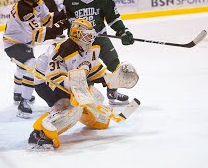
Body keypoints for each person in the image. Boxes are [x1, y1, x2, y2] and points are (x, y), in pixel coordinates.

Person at [27, 18, 138, 150]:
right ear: (75, 35)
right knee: (72, 106)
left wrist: (111, 79)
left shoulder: (91, 48)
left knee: (96, 100)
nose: (90, 39)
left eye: (91, 35)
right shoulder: (63, 49)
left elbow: (94, 70)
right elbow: (53, 76)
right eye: (86, 35)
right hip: (46, 83)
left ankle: (90, 118)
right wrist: (73, 86)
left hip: (71, 78)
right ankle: (40, 134)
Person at [3, 0, 69, 118]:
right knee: (31, 65)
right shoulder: (23, 10)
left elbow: (47, 19)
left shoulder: (37, 1)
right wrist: (61, 26)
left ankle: (18, 94)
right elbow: (38, 35)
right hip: (13, 44)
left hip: (26, 43)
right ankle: (24, 102)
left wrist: (64, 14)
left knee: (23, 68)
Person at [63, 0, 135, 105]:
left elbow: (113, 17)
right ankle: (84, 97)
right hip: (78, 41)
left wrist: (122, 31)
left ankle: (112, 92)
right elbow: (68, 16)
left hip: (99, 38)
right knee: (82, 71)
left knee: (114, 64)